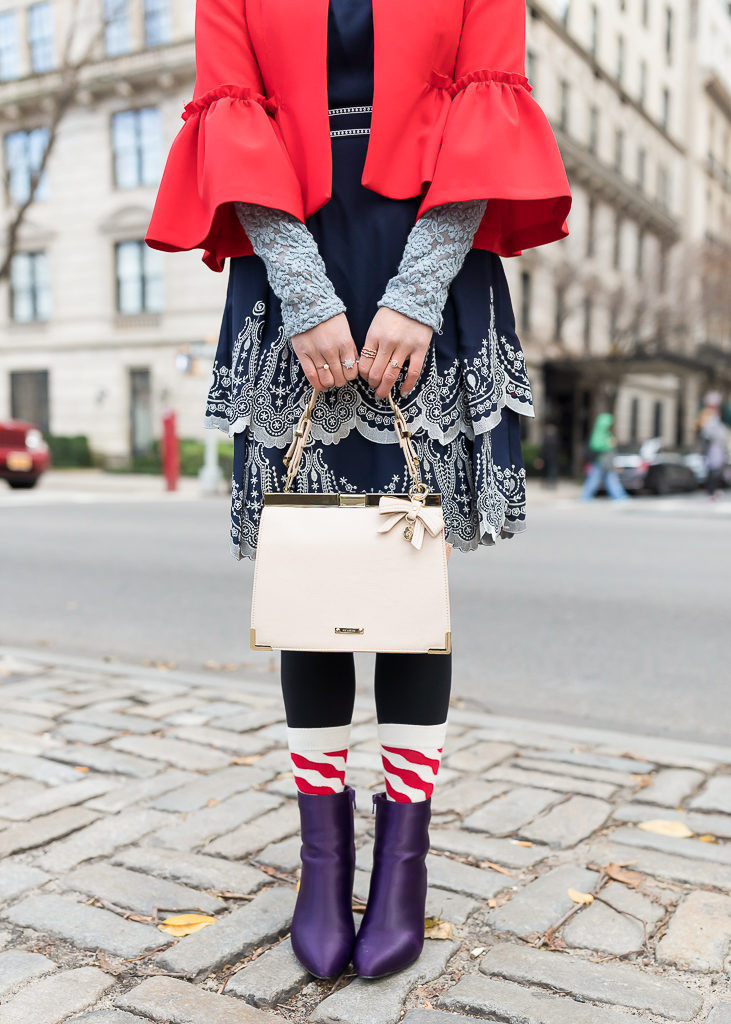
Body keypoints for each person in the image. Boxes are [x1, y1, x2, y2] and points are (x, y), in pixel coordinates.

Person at [146, 0, 571, 981]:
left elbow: (479, 113)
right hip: (290, 250)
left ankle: (403, 869)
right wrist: (304, 296)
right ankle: (322, 861)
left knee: (405, 587)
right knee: (312, 582)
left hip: (430, 246)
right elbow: (233, 111)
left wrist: (416, 298)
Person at [579, 412, 629, 502]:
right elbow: (595, 446)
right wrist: (608, 444)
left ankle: (619, 496)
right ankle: (585, 497)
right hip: (600, 461)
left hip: (608, 462)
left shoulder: (607, 434)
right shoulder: (598, 434)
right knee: (595, 479)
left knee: (611, 479)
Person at [697, 391, 728, 500]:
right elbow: (706, 431)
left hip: (717, 447)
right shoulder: (706, 414)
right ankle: (711, 492)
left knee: (717, 471)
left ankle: (714, 491)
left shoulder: (716, 415)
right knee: (712, 471)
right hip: (711, 447)